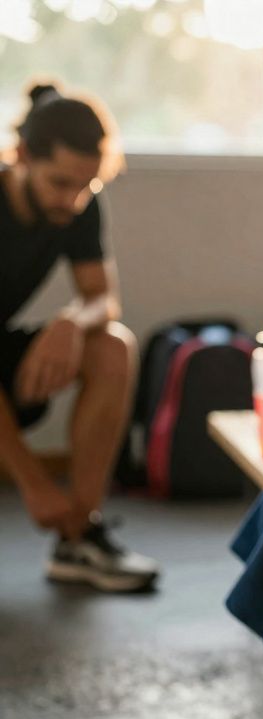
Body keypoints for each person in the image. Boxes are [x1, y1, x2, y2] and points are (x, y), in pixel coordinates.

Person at [1, 83, 158, 592]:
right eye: (59, 183)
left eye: (85, 187)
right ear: (22, 156)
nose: (71, 200)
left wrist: (69, 322)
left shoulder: (78, 203)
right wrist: (34, 483)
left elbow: (101, 297)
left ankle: (78, 538)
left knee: (112, 345)